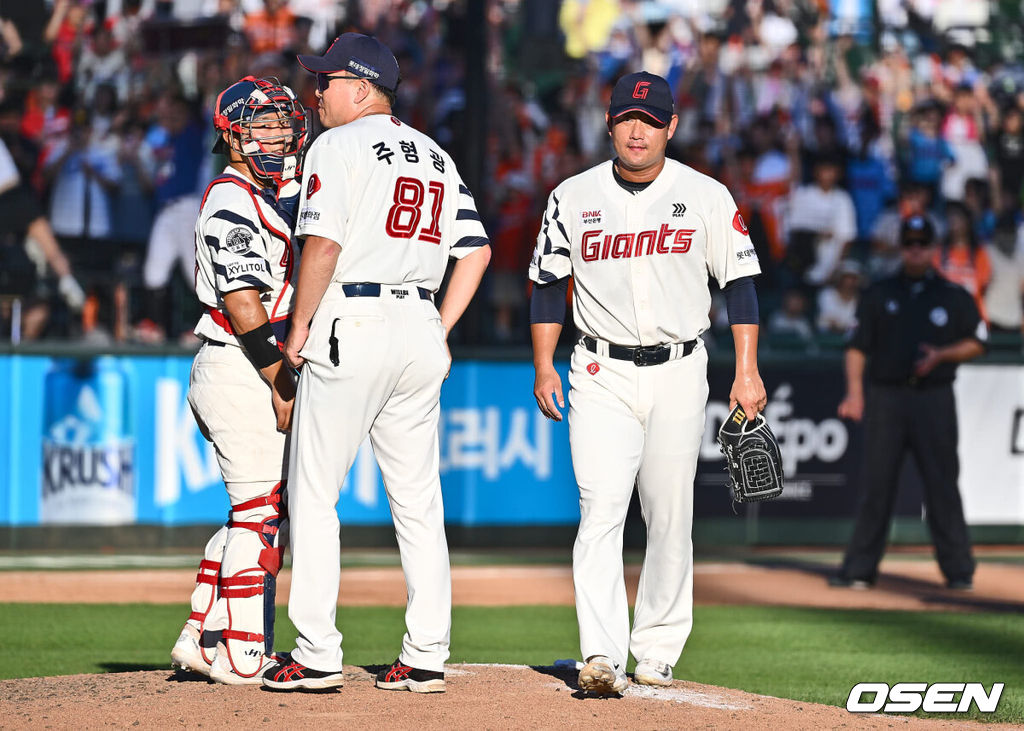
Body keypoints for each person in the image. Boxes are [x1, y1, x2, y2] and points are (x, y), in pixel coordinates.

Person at [262, 33, 491, 693]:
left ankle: (317, 651)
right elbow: (473, 253)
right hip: (419, 324)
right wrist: (438, 327)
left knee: (313, 493)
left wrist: (300, 324)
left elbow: (325, 243)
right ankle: (425, 654)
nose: (315, 93)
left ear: (360, 88)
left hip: (351, 319)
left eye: (326, 81)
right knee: (419, 502)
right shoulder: (437, 155)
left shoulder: (336, 145)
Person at [529, 71, 765, 695]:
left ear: (672, 127)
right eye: (628, 118)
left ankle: (656, 648)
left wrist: (747, 370)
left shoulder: (707, 195)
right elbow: (548, 286)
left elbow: (740, 287)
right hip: (599, 369)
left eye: (652, 120)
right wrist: (544, 363)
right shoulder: (572, 196)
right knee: (600, 509)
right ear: (608, 123)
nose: (639, 130)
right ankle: (600, 653)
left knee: (669, 513)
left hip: (680, 367)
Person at [169, 76, 309, 685]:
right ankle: (242, 651)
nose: (278, 134)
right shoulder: (231, 198)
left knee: (252, 511)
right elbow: (245, 303)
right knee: (259, 512)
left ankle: (200, 635)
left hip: (240, 362)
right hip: (240, 360)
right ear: (231, 135)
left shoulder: (275, 189)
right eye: (264, 124)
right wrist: (280, 378)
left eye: (284, 122)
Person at [831, 215, 987, 591]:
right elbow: (856, 347)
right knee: (877, 484)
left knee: (942, 484)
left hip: (933, 398)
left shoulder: (952, 295)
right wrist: (855, 393)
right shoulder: (880, 293)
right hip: (887, 398)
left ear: (934, 248)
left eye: (922, 243)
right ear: (901, 247)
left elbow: (978, 341)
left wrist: (942, 355)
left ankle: (958, 570)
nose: (916, 250)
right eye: (910, 243)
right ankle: (859, 570)